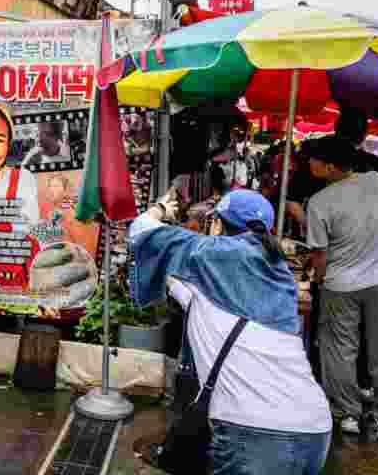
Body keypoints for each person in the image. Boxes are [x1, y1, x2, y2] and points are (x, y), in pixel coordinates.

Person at [130, 189, 332, 474]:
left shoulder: (208, 257)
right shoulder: (280, 273)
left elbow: (140, 233)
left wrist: (161, 209)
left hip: (256, 432)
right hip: (315, 426)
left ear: (218, 225)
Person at [305, 135, 378, 441]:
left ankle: (348, 414)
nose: (309, 164)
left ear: (330, 167)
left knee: (339, 349)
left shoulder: (319, 202)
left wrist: (317, 279)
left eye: (314, 160)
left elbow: (319, 256)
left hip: (340, 284)